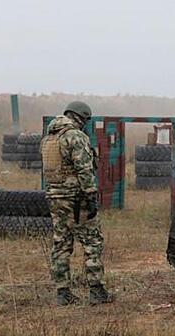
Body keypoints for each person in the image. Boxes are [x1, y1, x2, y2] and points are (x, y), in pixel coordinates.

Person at [41, 101, 113, 306]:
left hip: (55, 197)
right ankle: (97, 291)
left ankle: (62, 292)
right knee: (92, 242)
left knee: (61, 244)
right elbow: (84, 169)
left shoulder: (48, 139)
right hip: (76, 199)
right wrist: (90, 196)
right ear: (81, 117)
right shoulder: (76, 136)